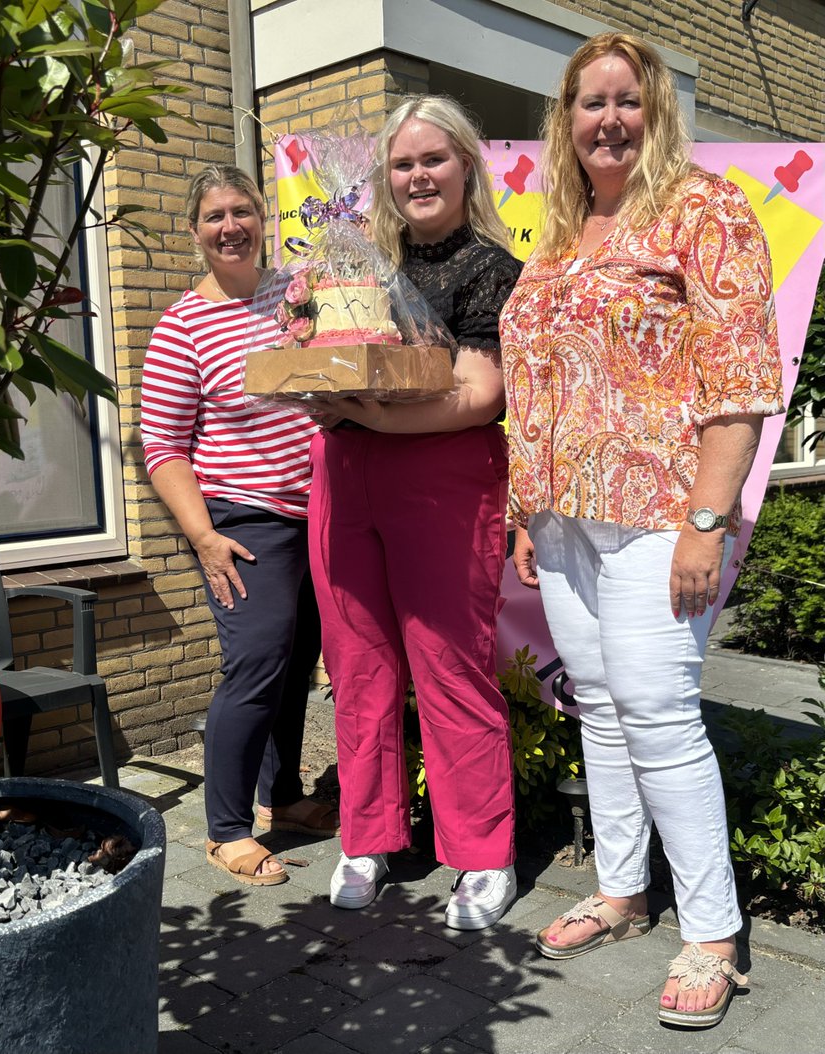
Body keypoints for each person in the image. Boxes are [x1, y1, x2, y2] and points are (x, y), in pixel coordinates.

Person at [500, 32, 783, 1029]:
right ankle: (621, 891)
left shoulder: (704, 210)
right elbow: (539, 385)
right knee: (603, 709)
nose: (610, 119)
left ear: (656, 111)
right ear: (567, 118)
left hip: (662, 510)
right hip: (564, 520)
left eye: (628, 100)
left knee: (659, 713)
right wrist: (528, 507)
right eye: (592, 102)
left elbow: (740, 380)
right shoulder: (560, 234)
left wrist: (708, 521)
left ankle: (713, 934)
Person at [311, 97, 520, 926]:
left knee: (449, 666)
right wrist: (318, 388)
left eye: (434, 159)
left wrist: (366, 415)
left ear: (467, 164)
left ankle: (483, 852)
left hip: (442, 479)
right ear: (384, 178)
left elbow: (479, 395)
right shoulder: (360, 268)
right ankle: (367, 837)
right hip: (344, 474)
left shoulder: (490, 268)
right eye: (403, 164)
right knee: (357, 666)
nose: (419, 176)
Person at [140, 165, 337, 886]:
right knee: (255, 663)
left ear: (262, 217)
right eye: (215, 216)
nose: (231, 227)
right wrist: (203, 537)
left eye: (242, 211)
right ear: (195, 231)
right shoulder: (182, 326)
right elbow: (163, 446)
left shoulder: (297, 296)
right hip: (243, 519)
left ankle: (281, 796)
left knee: (295, 662)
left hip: (321, 512)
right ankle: (225, 828)